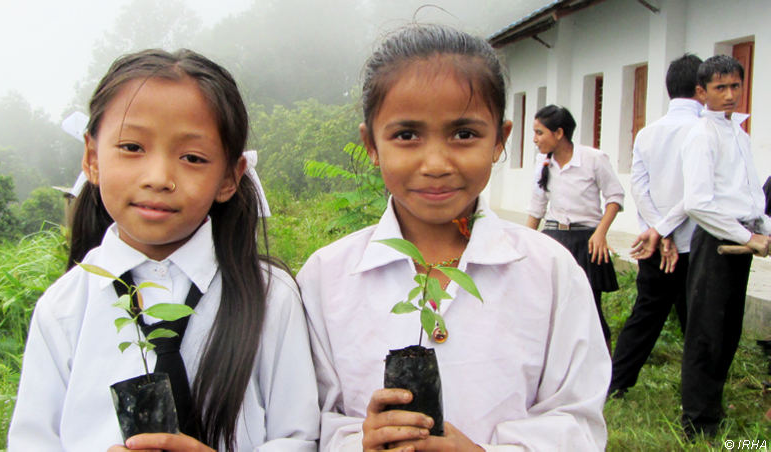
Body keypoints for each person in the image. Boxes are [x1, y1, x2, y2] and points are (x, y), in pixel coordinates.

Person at [299, 25, 609, 451]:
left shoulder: (550, 272)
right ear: (370, 144)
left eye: (464, 134)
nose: (436, 164)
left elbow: (578, 423)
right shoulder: (326, 278)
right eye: (406, 135)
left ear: (500, 139)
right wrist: (360, 444)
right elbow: (311, 424)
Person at [8, 49, 320, 451]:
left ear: (229, 177)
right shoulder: (64, 310)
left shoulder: (270, 296)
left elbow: (298, 438)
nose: (158, 178)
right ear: (92, 157)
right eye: (132, 147)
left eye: (192, 157)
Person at [679, 54, 770, 439]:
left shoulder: (738, 133)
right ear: (702, 93)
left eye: (735, 86)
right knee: (707, 332)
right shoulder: (703, 135)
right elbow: (698, 203)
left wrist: (762, 230)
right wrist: (747, 236)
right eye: (720, 88)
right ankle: (697, 424)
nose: (730, 94)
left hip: (739, 238)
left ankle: (711, 410)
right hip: (716, 241)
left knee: (727, 331)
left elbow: (748, 196)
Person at [608, 54, 704, 399]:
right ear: (701, 88)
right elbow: (697, 194)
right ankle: (696, 393)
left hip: (655, 241)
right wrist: (666, 231)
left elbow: (639, 187)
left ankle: (615, 383)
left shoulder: (647, 133)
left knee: (646, 313)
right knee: (698, 320)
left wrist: (657, 230)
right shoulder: (705, 132)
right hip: (696, 242)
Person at [526, 105, 625, 345]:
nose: (535, 139)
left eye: (539, 133)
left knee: (589, 307)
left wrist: (600, 233)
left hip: (586, 240)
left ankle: (602, 361)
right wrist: (524, 245)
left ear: (559, 133)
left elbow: (615, 197)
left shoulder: (593, 159)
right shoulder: (542, 163)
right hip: (554, 238)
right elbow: (537, 209)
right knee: (552, 306)